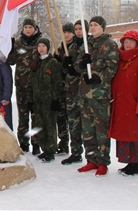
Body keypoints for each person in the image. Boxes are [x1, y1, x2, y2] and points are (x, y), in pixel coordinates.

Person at [74, 16, 119, 177]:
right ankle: (91, 159)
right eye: (91, 25)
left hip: (100, 94)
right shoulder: (87, 44)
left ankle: (103, 162)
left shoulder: (109, 44)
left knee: (101, 130)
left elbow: (112, 66)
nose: (92, 27)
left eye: (96, 25)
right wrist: (81, 64)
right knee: (88, 129)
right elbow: (77, 66)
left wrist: (99, 77)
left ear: (103, 27)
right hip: (85, 93)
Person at [108, 30, 138, 176]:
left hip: (134, 106)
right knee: (125, 134)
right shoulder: (121, 59)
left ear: (137, 43)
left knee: (135, 135)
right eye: (125, 42)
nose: (128, 45)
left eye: (131, 42)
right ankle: (129, 162)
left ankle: (136, 164)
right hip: (121, 104)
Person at [6, 18, 42, 155]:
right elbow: (11, 61)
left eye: (30, 27)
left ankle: (36, 143)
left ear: (35, 28)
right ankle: (23, 143)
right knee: (23, 117)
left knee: (36, 117)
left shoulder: (40, 43)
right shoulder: (18, 43)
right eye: (26, 27)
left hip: (36, 86)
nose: (28, 30)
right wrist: (10, 46)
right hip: (21, 86)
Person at [27, 38, 62, 162]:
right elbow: (30, 83)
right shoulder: (36, 63)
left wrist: (56, 99)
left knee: (50, 126)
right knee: (40, 125)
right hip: (38, 101)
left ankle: (50, 150)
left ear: (48, 47)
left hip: (49, 101)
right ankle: (44, 148)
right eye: (39, 46)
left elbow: (57, 82)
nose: (41, 48)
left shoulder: (52, 62)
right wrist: (30, 100)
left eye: (43, 46)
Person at [58, 20, 87, 165]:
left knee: (88, 125)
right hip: (71, 90)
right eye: (76, 29)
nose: (77, 32)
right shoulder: (71, 47)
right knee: (73, 123)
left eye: (80, 29)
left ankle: (94, 156)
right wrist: (64, 63)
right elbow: (67, 70)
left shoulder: (89, 45)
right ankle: (76, 152)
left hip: (88, 92)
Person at [53, 23, 75, 156]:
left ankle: (76, 147)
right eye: (64, 32)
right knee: (61, 118)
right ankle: (63, 143)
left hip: (73, 89)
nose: (66, 35)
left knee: (73, 120)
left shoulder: (76, 48)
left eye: (69, 32)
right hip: (61, 89)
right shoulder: (59, 49)